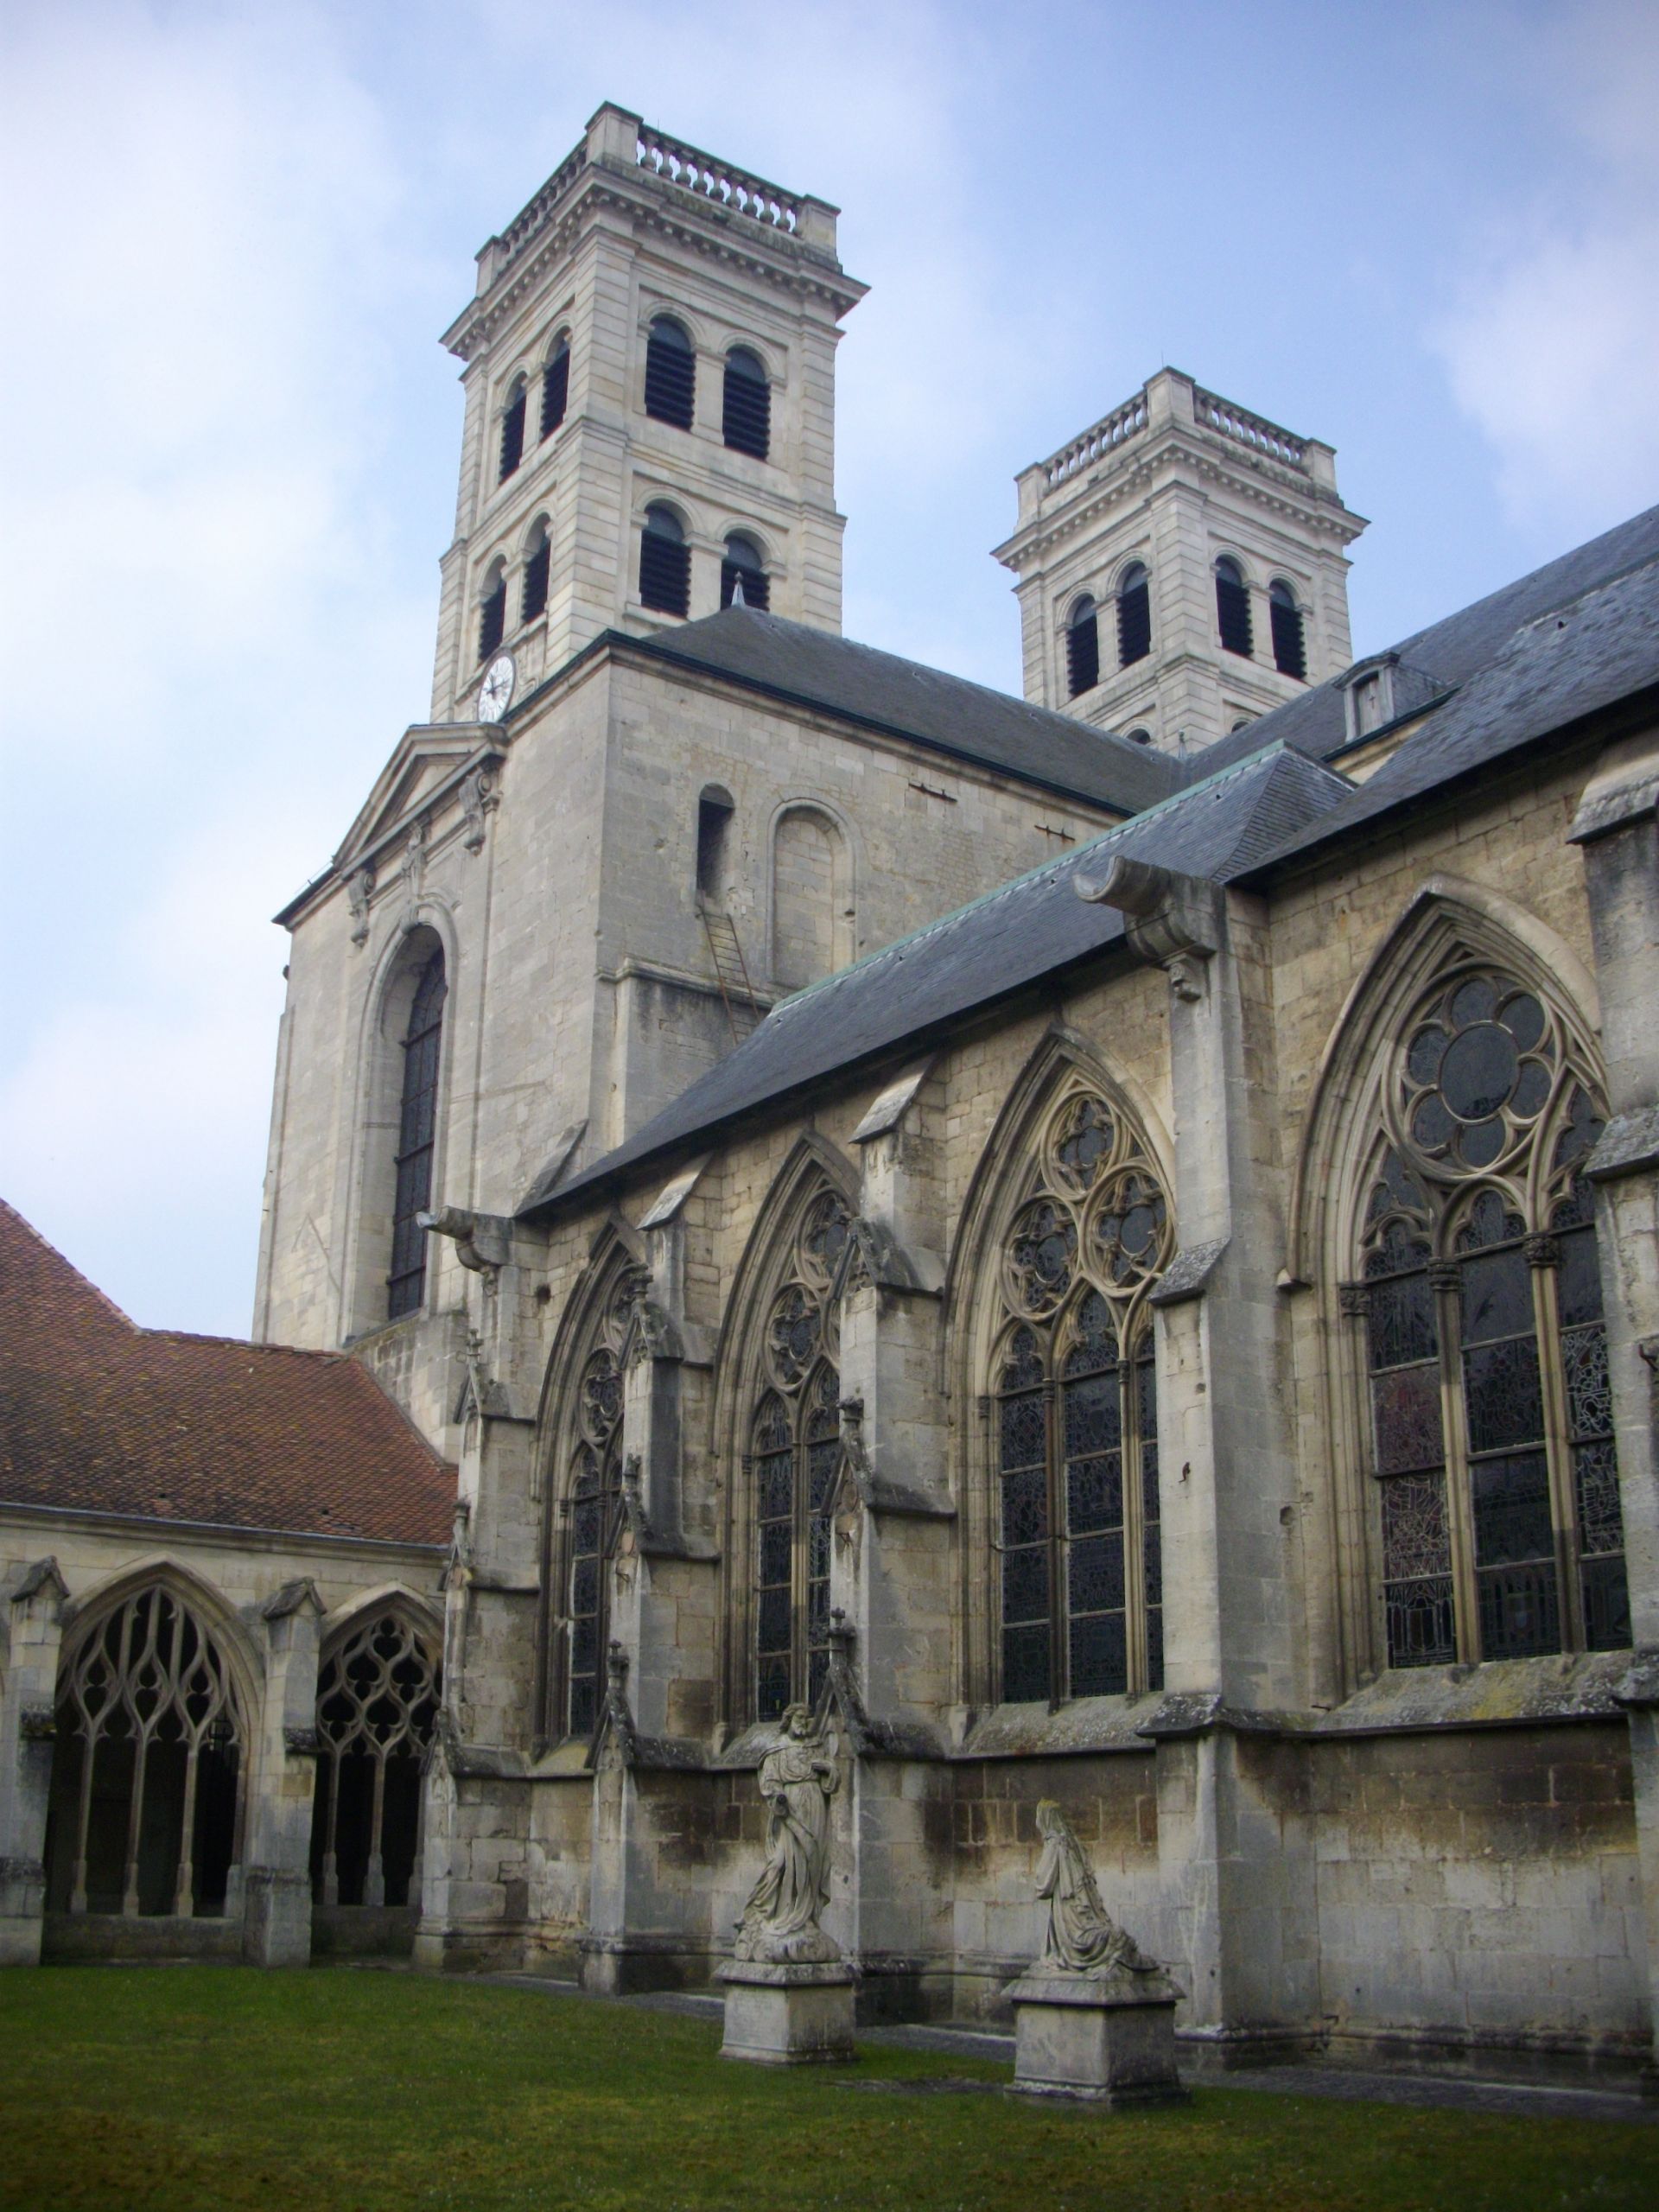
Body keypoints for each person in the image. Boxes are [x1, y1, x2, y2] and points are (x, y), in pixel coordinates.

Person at [734, 1704, 839, 1961]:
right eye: (799, 1718)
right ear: (788, 1720)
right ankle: (767, 1914)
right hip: (790, 1812)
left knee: (813, 1863)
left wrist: (828, 1770)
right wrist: (778, 1797)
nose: (803, 1722)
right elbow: (768, 1781)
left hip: (814, 1809)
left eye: (806, 1718)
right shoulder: (777, 1749)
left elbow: (834, 1776)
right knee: (781, 1864)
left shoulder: (815, 1747)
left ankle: (806, 1919)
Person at [1033, 1798, 1159, 1975]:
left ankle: (1101, 1948)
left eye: (1038, 1818)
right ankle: (1112, 1943)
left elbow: (1043, 1885)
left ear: (1045, 1818)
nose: (1037, 1823)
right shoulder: (1072, 1841)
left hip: (1068, 1909)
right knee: (1092, 1933)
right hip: (1077, 1905)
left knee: (1079, 1939)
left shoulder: (1054, 1843)